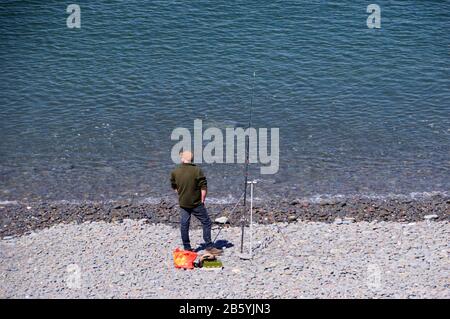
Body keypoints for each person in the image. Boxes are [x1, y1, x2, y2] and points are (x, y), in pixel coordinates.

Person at [170, 151, 222, 255]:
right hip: (196, 203)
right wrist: (202, 200)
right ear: (192, 159)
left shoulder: (175, 171)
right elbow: (203, 187)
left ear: (182, 159)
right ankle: (209, 246)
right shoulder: (197, 170)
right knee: (206, 222)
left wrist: (181, 194)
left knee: (185, 224)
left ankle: (187, 248)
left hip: (183, 202)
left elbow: (174, 187)